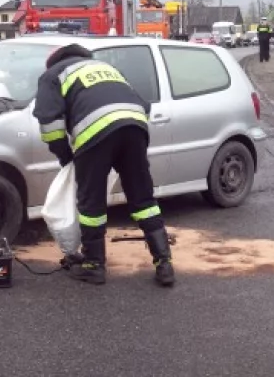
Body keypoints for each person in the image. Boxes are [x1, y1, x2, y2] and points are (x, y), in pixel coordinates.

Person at [33, 43, 175, 287]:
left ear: (53, 61)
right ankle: (164, 263)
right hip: (134, 128)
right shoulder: (105, 67)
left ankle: (94, 265)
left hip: (94, 134)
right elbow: (144, 105)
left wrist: (66, 157)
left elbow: (49, 124)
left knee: (91, 203)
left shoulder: (53, 74)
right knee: (143, 199)